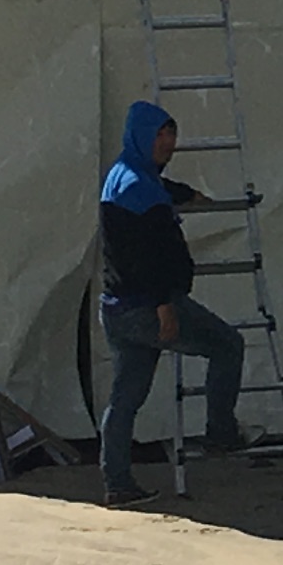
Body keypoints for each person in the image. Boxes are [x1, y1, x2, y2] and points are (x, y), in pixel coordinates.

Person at [95, 98, 242, 504]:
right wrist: (165, 307)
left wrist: (187, 193)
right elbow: (149, 257)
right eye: (159, 134)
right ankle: (221, 434)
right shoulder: (143, 191)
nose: (168, 142)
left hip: (117, 307)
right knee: (228, 346)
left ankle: (117, 483)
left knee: (124, 400)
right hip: (147, 306)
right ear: (141, 136)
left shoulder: (124, 176)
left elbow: (160, 189)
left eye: (171, 133)